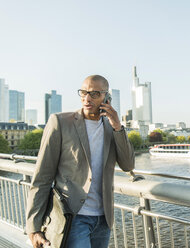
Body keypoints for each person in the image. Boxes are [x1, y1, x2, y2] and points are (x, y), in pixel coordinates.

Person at [26, 75, 135, 248]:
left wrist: (117, 127)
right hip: (73, 217)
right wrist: (34, 227)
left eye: (94, 94)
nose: (87, 98)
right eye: (84, 92)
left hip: (103, 220)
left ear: (107, 98)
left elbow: (128, 165)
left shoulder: (111, 128)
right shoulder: (60, 122)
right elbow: (42, 176)